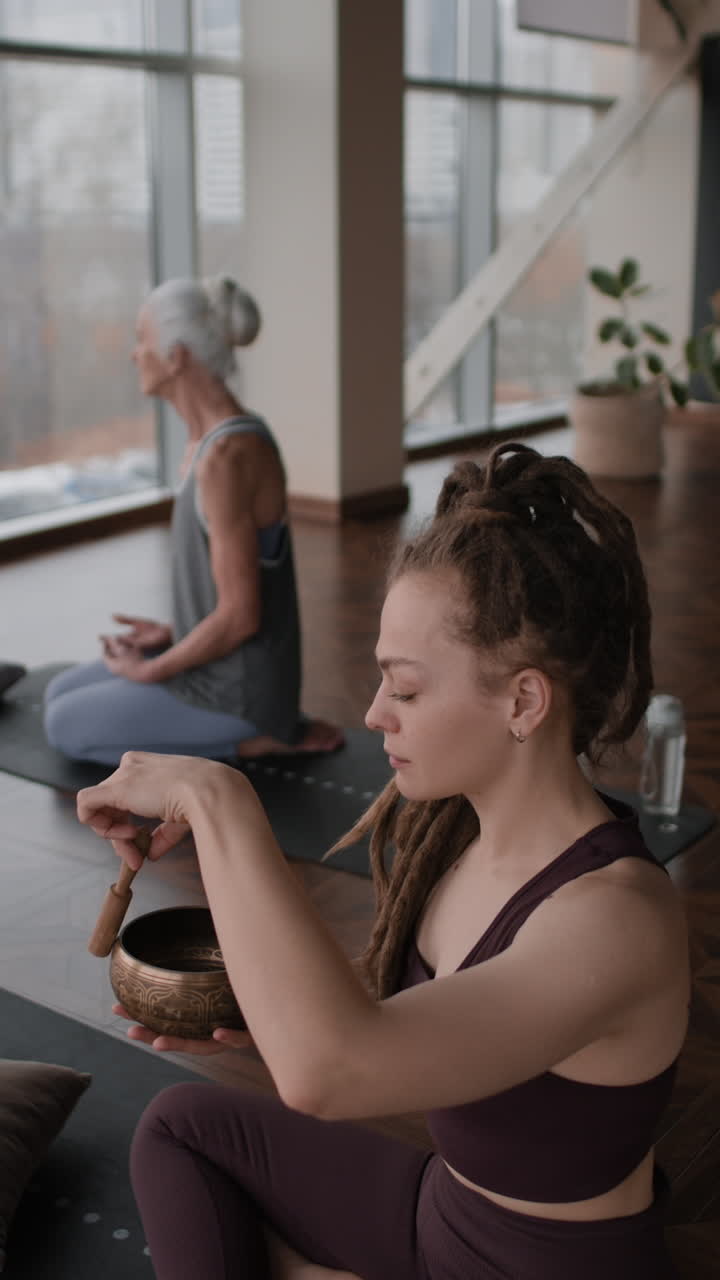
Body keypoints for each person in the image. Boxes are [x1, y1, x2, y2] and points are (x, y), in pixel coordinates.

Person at [76, 442, 690, 1280]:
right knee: (183, 1126)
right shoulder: (458, 841)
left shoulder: (614, 919)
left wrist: (220, 800)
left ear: (523, 700)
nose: (373, 714)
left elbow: (330, 1073)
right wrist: (269, 1009)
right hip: (444, 1215)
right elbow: (397, 1029)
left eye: (405, 690)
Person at [43, 275, 343, 765]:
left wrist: (154, 669)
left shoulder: (227, 457)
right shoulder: (208, 445)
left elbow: (242, 615)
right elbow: (228, 592)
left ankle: (257, 738)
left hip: (236, 692)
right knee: (59, 691)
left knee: (65, 725)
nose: (134, 354)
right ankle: (244, 725)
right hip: (216, 666)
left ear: (176, 355)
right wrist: (171, 631)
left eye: (142, 341)